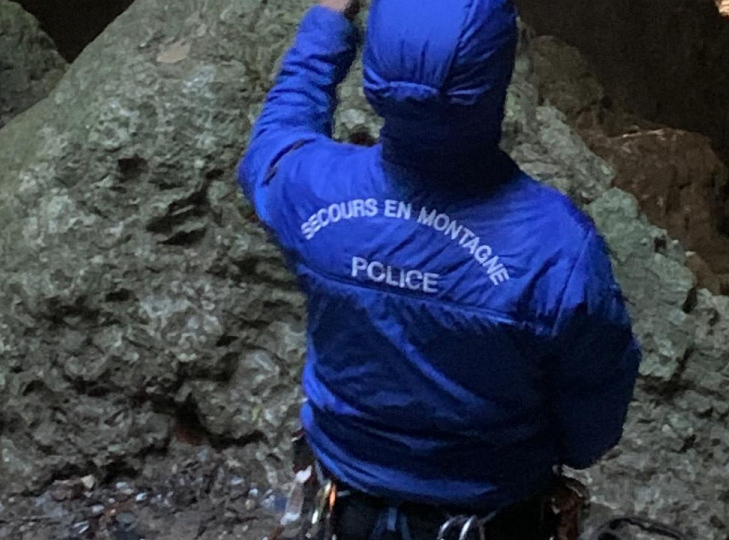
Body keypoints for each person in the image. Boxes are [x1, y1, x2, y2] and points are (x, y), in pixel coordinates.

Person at [237, 0, 641, 537]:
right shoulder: (558, 249)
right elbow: (593, 424)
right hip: (496, 515)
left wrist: (328, 22)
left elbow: (275, 134)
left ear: (375, 77)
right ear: (499, 70)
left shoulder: (309, 193)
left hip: (346, 505)